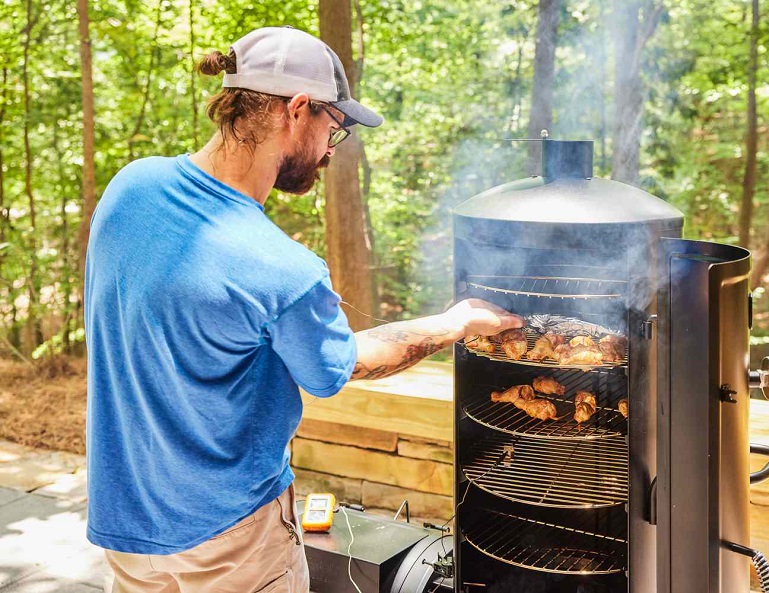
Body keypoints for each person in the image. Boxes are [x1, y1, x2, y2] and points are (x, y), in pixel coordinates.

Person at [84, 26, 523, 593]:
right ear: (297, 110)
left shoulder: (130, 188)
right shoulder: (279, 266)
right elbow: (344, 367)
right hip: (229, 543)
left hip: (125, 530)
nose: (330, 151)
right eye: (333, 127)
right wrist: (453, 324)